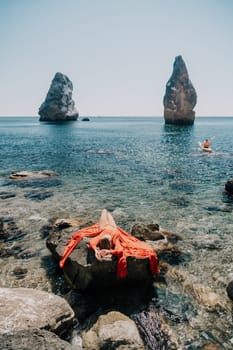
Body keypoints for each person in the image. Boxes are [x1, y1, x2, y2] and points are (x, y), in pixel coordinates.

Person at [59, 209, 160, 278]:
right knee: (107, 213)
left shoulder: (103, 237)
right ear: (110, 242)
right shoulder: (114, 238)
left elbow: (91, 242)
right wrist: (108, 251)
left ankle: (105, 210)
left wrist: (96, 251)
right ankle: (106, 210)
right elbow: (119, 251)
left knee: (104, 212)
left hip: (106, 227)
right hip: (111, 228)